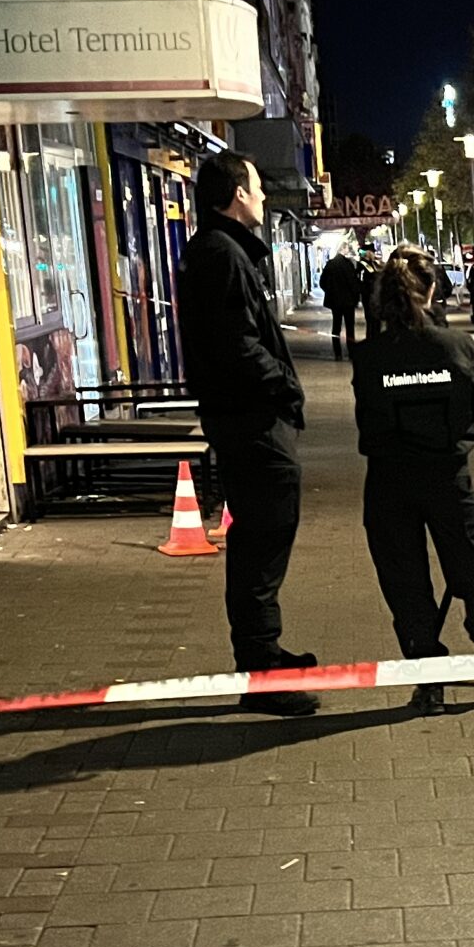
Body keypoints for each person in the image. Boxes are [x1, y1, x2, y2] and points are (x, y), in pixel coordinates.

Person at [351, 246, 474, 715]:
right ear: (432, 291)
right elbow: (465, 412)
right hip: (446, 475)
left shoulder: (368, 357)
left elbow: (366, 422)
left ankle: (427, 680)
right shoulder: (457, 348)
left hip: (389, 479)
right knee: (471, 567)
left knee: (404, 578)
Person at [177, 151, 319, 715]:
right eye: (257, 187)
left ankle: (266, 654)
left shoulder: (225, 253)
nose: (263, 197)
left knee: (263, 541)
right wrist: (282, 388)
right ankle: (261, 670)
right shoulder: (221, 256)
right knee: (260, 544)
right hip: (252, 420)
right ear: (237, 194)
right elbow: (237, 345)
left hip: (250, 417)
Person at [320, 247, 363, 359]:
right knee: (350, 328)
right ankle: (351, 352)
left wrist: (330, 292)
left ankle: (337, 353)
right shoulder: (348, 265)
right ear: (343, 250)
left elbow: (322, 282)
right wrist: (355, 298)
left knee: (336, 327)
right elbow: (354, 283)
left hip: (335, 302)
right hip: (348, 302)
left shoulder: (330, 264)